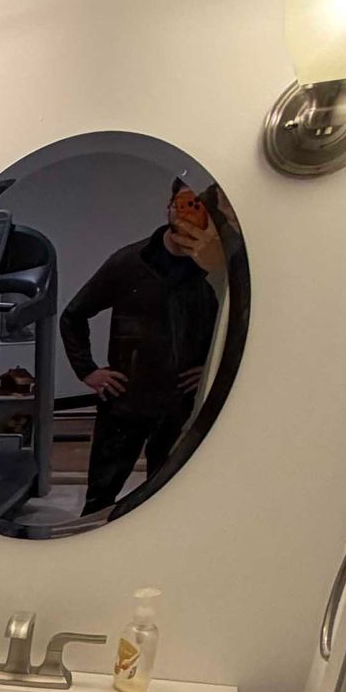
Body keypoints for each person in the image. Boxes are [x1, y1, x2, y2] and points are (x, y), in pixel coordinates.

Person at [60, 177, 223, 514]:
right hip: (125, 403)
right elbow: (73, 315)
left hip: (181, 405)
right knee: (100, 500)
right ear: (169, 207)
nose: (189, 215)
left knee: (170, 497)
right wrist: (88, 370)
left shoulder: (212, 274)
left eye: (199, 208)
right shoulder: (128, 263)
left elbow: (228, 329)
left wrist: (209, 368)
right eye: (184, 204)